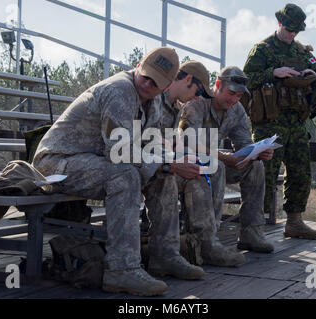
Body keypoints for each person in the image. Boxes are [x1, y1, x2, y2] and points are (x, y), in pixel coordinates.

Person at [32, 47, 205, 297]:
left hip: (96, 160)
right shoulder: (119, 91)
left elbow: (151, 145)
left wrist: (173, 159)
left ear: (167, 86)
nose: (148, 83)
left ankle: (165, 254)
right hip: (58, 163)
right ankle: (121, 269)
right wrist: (167, 163)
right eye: (146, 75)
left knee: (163, 175)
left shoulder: (154, 102)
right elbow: (120, 150)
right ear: (138, 66)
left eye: (156, 82)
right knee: (124, 175)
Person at [144, 60, 246, 269]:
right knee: (178, 174)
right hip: (140, 164)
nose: (198, 96)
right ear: (188, 80)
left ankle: (205, 243)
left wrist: (182, 159)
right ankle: (169, 253)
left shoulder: (174, 106)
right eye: (199, 90)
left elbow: (170, 142)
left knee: (206, 169)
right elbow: (140, 144)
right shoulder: (156, 100)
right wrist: (172, 163)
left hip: (159, 161)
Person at [243, 3, 316, 240]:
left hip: (296, 121)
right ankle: (253, 227)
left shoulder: (303, 53)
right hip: (269, 121)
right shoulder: (263, 50)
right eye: (289, 29)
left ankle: (295, 222)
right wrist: (273, 73)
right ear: (280, 24)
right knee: (263, 173)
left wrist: (313, 76)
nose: (292, 34)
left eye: (296, 31)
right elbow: (246, 81)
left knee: (300, 171)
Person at [179, 66, 275, 254]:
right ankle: (208, 238)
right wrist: (225, 158)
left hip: (216, 163)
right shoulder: (197, 103)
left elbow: (244, 143)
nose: (234, 99)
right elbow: (187, 142)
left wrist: (257, 152)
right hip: (187, 164)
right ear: (217, 85)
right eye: (231, 93)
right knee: (217, 166)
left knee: (255, 166)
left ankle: (251, 233)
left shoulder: (236, 110)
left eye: (239, 96)